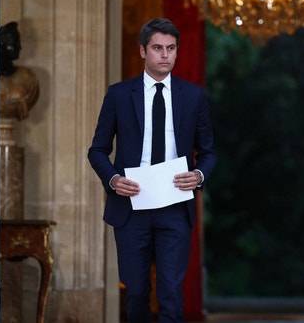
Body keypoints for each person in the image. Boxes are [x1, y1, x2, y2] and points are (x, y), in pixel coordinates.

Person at [88, 18, 217, 322]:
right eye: (157, 48)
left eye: (171, 49)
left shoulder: (193, 95)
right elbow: (97, 150)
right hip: (132, 205)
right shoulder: (119, 94)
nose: (165, 55)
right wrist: (113, 179)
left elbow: (209, 152)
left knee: (171, 291)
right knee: (135, 292)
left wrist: (198, 175)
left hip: (175, 203)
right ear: (143, 51)